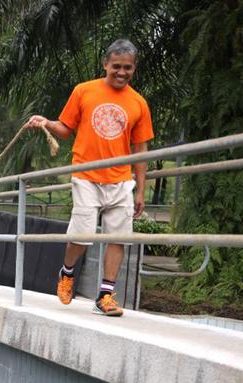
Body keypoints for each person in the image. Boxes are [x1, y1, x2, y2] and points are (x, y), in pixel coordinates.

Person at [26, 38, 153, 317]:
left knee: (119, 238)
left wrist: (141, 190)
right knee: (82, 235)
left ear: (134, 68)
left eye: (128, 68)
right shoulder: (84, 91)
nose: (121, 72)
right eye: (116, 66)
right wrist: (46, 122)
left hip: (121, 179)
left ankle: (105, 296)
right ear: (105, 64)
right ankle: (67, 272)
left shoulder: (139, 103)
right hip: (86, 174)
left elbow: (141, 149)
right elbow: (65, 129)